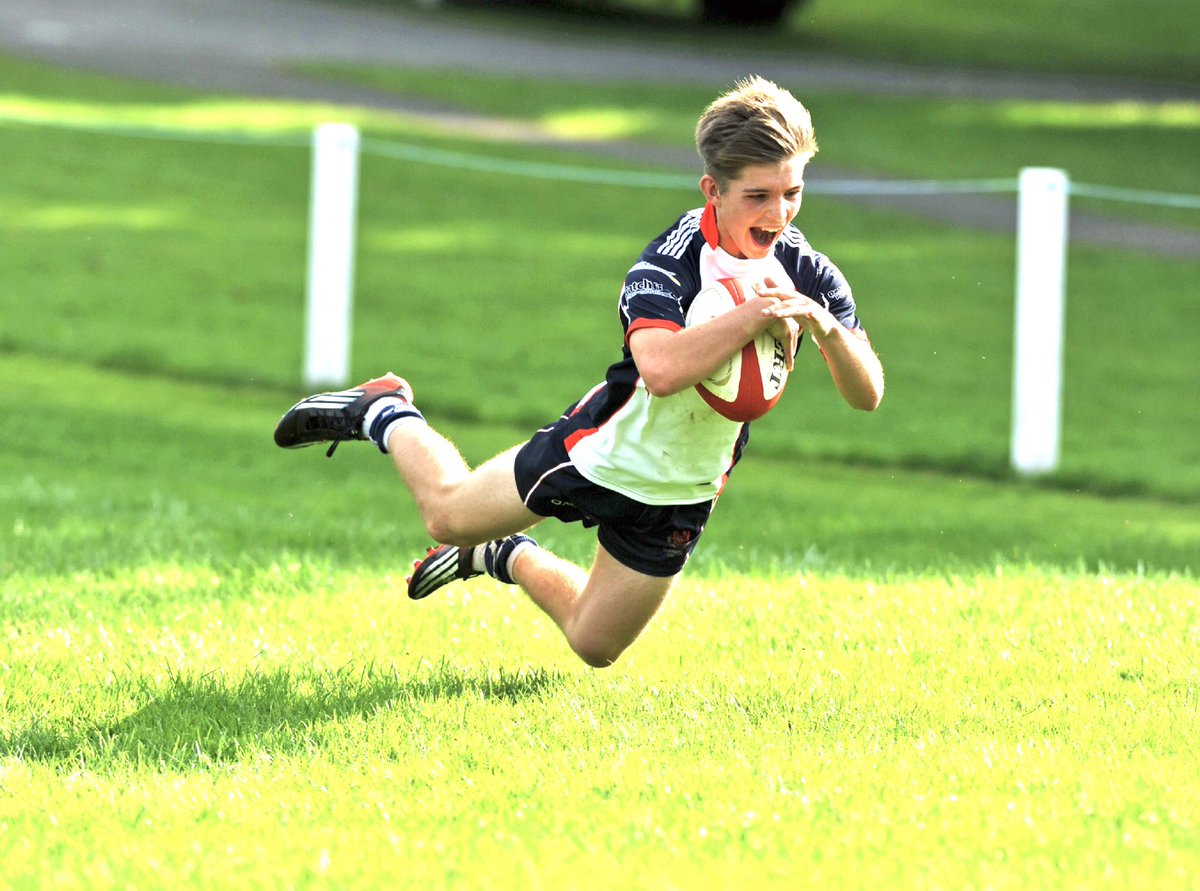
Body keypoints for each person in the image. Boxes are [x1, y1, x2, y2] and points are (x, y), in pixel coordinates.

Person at [274, 76, 884, 668]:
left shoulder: (808, 272)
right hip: (602, 449)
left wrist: (829, 332)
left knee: (595, 645)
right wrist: (755, 316)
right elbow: (662, 369)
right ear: (713, 190)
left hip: (685, 488)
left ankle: (502, 555)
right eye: (759, 196)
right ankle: (385, 411)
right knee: (446, 515)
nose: (779, 213)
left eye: (793, 193)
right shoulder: (670, 263)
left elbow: (868, 396)